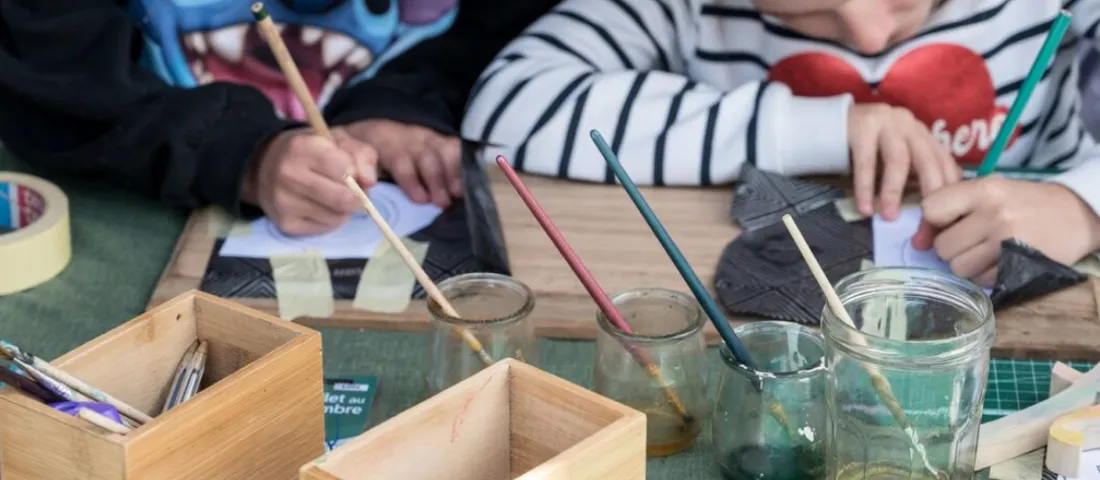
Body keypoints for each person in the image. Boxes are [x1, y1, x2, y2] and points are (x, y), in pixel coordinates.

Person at [461, 0, 1100, 286]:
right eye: (806, 14)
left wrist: (1081, 205)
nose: (870, 34)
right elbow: (507, 105)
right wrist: (811, 127)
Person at [0, 0, 555, 235]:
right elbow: (51, 69)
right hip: (137, 188)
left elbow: (501, 33)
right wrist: (242, 152)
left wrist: (397, 102)